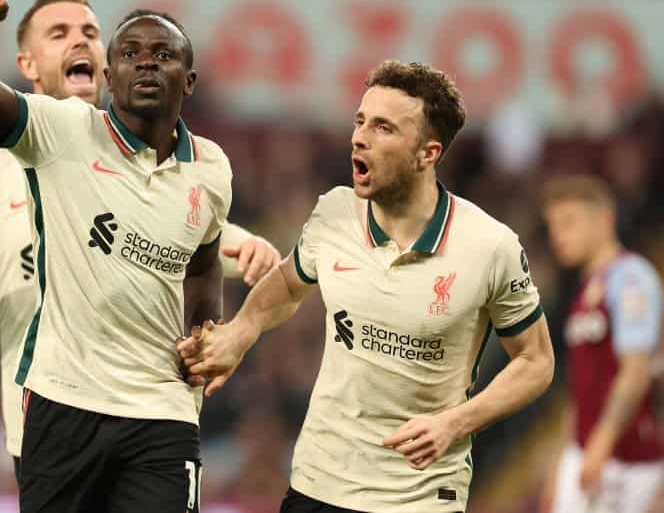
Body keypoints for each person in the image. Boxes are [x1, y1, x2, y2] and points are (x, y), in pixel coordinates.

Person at [0, 0, 279, 484]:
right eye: (59, 33)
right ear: (27, 63)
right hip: (48, 411)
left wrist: (242, 253)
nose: (79, 41)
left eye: (90, 32)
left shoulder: (181, 166)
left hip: (150, 410)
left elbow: (182, 241)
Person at [179, 60, 555, 512]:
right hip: (320, 483)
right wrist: (242, 332)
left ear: (427, 154)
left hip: (420, 495)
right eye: (360, 122)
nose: (360, 137)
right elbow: (287, 285)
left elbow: (536, 361)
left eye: (383, 128)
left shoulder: (490, 246)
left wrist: (457, 423)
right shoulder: (335, 213)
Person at [540, 175, 662, 513]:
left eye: (569, 222)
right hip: (585, 450)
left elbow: (636, 371)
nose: (558, 236)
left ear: (604, 219)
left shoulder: (631, 278)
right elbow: (581, 388)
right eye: (553, 227)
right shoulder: (585, 290)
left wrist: (602, 442)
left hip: (627, 460)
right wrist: (560, 460)